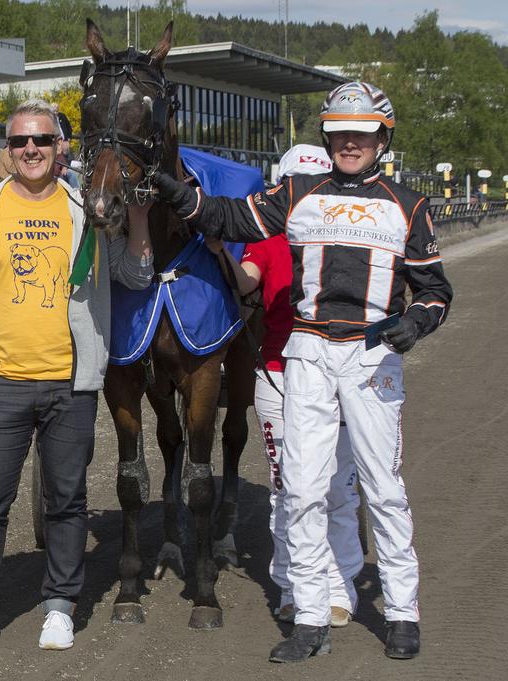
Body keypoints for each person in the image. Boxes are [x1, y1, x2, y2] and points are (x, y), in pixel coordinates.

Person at [152, 81, 452, 663]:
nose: (349, 143)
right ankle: (311, 618)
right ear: (327, 136)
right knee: (302, 491)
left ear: (382, 138)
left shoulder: (409, 205)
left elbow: (436, 290)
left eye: (361, 135)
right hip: (308, 353)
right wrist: (175, 194)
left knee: (382, 489)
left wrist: (414, 322)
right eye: (340, 133)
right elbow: (227, 217)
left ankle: (401, 610)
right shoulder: (296, 193)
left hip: (371, 357)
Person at [0, 99, 154, 654]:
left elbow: (134, 272)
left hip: (70, 383)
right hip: (1, 381)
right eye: (18, 142)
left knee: (67, 499)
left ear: (60, 147)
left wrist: (138, 214)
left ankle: (60, 603)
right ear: (7, 151)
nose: (29, 149)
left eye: (40, 140)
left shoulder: (89, 209)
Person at [210, 144, 363, 629]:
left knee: (337, 488)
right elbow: (246, 283)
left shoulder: (354, 238)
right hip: (277, 375)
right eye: (294, 184)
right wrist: (220, 253)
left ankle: (339, 586)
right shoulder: (268, 240)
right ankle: (294, 587)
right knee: (288, 489)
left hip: (340, 374)